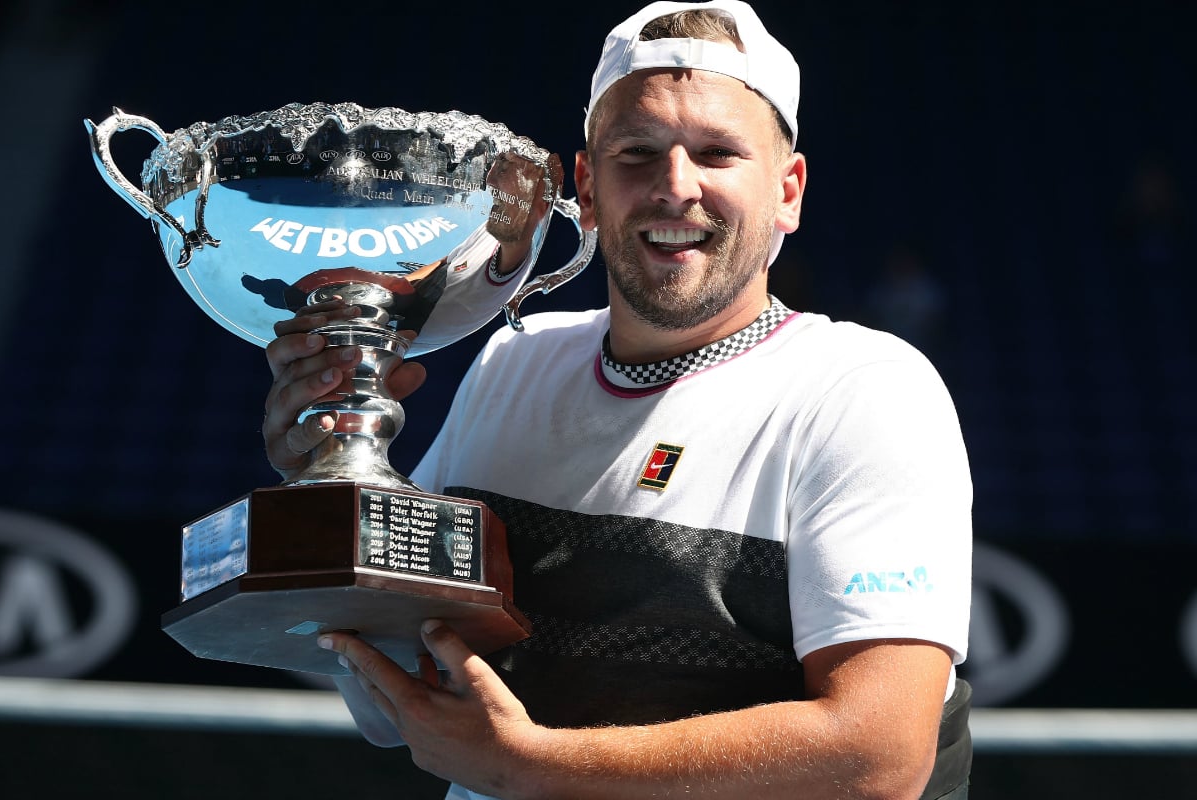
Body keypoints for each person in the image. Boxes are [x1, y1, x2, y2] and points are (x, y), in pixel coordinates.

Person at [263, 2, 973, 798]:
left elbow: (879, 756)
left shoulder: (864, 391)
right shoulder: (514, 361)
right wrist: (329, 475)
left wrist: (526, 768)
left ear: (788, 191)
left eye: (717, 153)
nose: (676, 187)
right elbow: (400, 705)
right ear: (587, 191)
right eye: (637, 152)